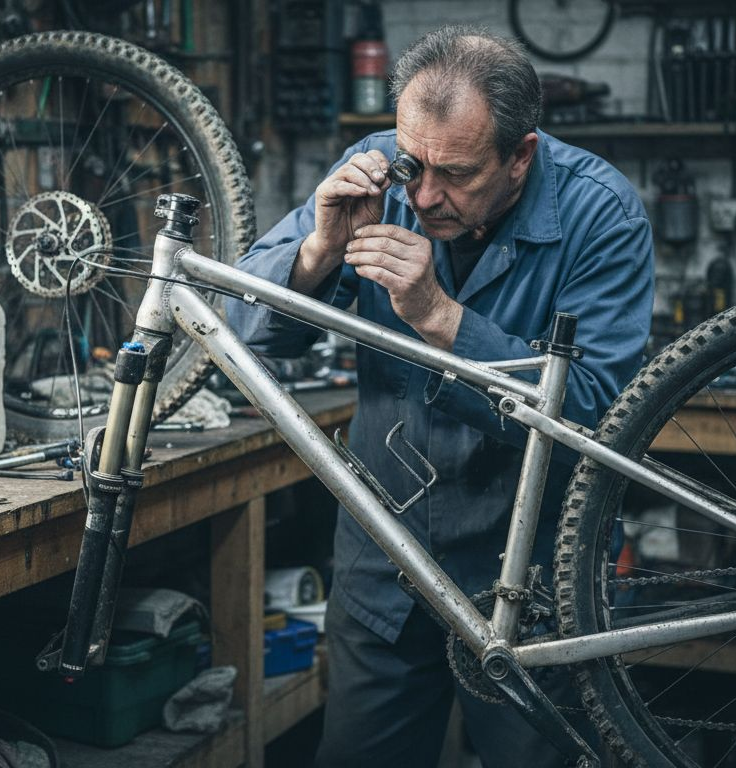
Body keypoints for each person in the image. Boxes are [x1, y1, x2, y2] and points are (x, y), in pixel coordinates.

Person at [227, 25, 654, 767]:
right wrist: (318, 252)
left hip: (533, 575)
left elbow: (596, 416)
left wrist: (438, 317)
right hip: (387, 557)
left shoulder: (601, 217)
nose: (424, 196)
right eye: (412, 163)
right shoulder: (376, 178)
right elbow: (244, 329)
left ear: (520, 155)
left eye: (455, 174)